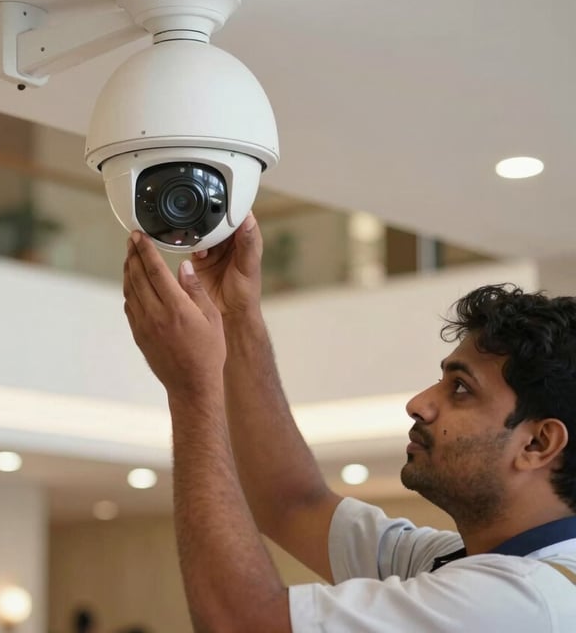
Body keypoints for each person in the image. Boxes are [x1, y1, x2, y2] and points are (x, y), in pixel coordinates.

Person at [122, 213, 576, 632]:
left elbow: (241, 622)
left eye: (461, 388)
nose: (419, 404)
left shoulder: (523, 600)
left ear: (538, 442)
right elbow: (291, 504)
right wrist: (237, 317)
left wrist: (192, 391)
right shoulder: (467, 563)